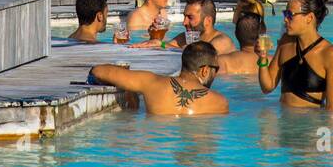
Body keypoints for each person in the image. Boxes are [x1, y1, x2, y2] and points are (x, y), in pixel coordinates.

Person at [88, 42, 228, 116]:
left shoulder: (151, 83)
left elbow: (98, 71)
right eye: (216, 69)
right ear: (205, 70)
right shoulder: (220, 102)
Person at [255, 0, 333, 109]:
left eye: (290, 15)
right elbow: (267, 87)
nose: (285, 19)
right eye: (285, 14)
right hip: (284, 123)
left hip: (311, 124)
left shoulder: (329, 54)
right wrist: (263, 58)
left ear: (309, 18)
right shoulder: (285, 43)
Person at [164, 0, 235, 54]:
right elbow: (164, 46)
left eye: (190, 17)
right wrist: (161, 43)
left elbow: (200, 58)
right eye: (184, 16)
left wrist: (180, 49)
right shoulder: (188, 37)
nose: (184, 22)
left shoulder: (221, 42)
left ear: (208, 21)